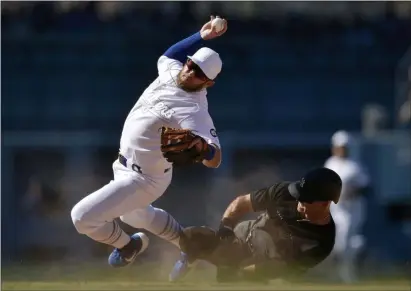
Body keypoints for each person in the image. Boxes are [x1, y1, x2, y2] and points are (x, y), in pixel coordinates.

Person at [70, 16, 228, 268]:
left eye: (199, 73)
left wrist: (203, 149)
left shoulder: (194, 110)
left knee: (81, 217)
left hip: (145, 179)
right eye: (191, 64)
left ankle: (128, 245)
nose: (190, 72)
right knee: (135, 215)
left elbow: (216, 159)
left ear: (208, 83)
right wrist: (201, 36)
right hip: (124, 167)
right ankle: (190, 246)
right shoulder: (173, 72)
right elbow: (169, 55)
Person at [170, 167, 341, 282]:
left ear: (325, 204)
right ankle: (191, 257)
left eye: (306, 200)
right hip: (242, 238)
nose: (299, 202)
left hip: (262, 267)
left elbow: (281, 269)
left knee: (235, 281)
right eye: (300, 196)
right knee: (192, 237)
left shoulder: (321, 242)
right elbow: (242, 202)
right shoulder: (284, 193)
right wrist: (226, 227)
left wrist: (239, 272)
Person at [324, 130, 370, 283]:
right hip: (334, 210)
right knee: (336, 243)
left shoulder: (354, 166)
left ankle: (347, 273)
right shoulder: (330, 164)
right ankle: (338, 273)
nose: (340, 150)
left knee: (345, 243)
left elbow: (365, 186)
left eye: (343, 147)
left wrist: (351, 192)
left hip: (351, 211)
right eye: (338, 146)